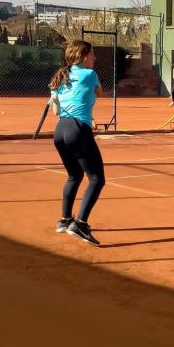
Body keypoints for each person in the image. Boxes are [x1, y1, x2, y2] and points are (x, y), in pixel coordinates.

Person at [49, 40, 106, 246]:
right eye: (92, 54)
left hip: (61, 130)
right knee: (97, 179)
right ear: (83, 56)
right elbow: (100, 94)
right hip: (77, 129)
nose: (95, 58)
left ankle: (64, 220)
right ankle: (80, 224)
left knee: (74, 175)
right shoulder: (90, 75)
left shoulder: (59, 76)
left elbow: (55, 110)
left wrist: (56, 97)